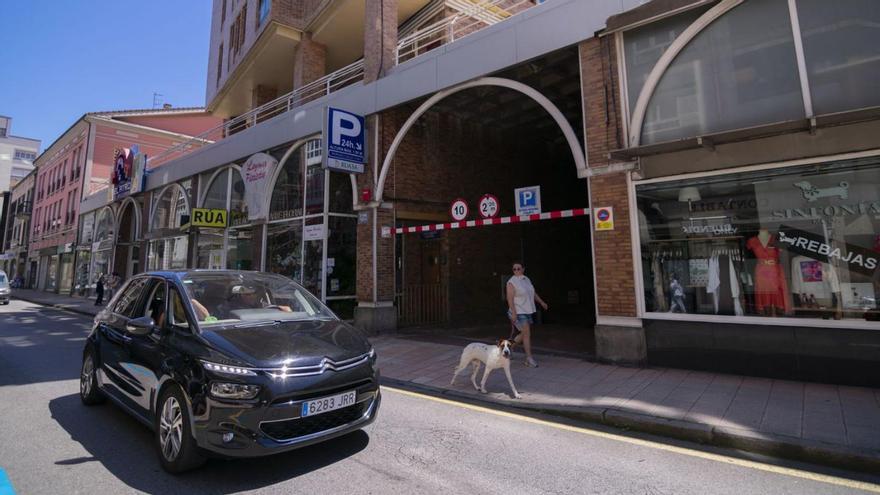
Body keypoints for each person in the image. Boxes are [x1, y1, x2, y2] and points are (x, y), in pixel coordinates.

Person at [506, 262, 548, 368]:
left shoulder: (526, 279)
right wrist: (514, 313)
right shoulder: (511, 282)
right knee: (527, 334)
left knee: (523, 334)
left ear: (523, 269)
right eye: (514, 269)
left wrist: (541, 302)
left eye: (518, 268)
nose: (516, 271)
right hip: (518, 311)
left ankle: (509, 348)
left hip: (527, 310)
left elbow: (532, 293)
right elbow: (510, 299)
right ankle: (529, 359)